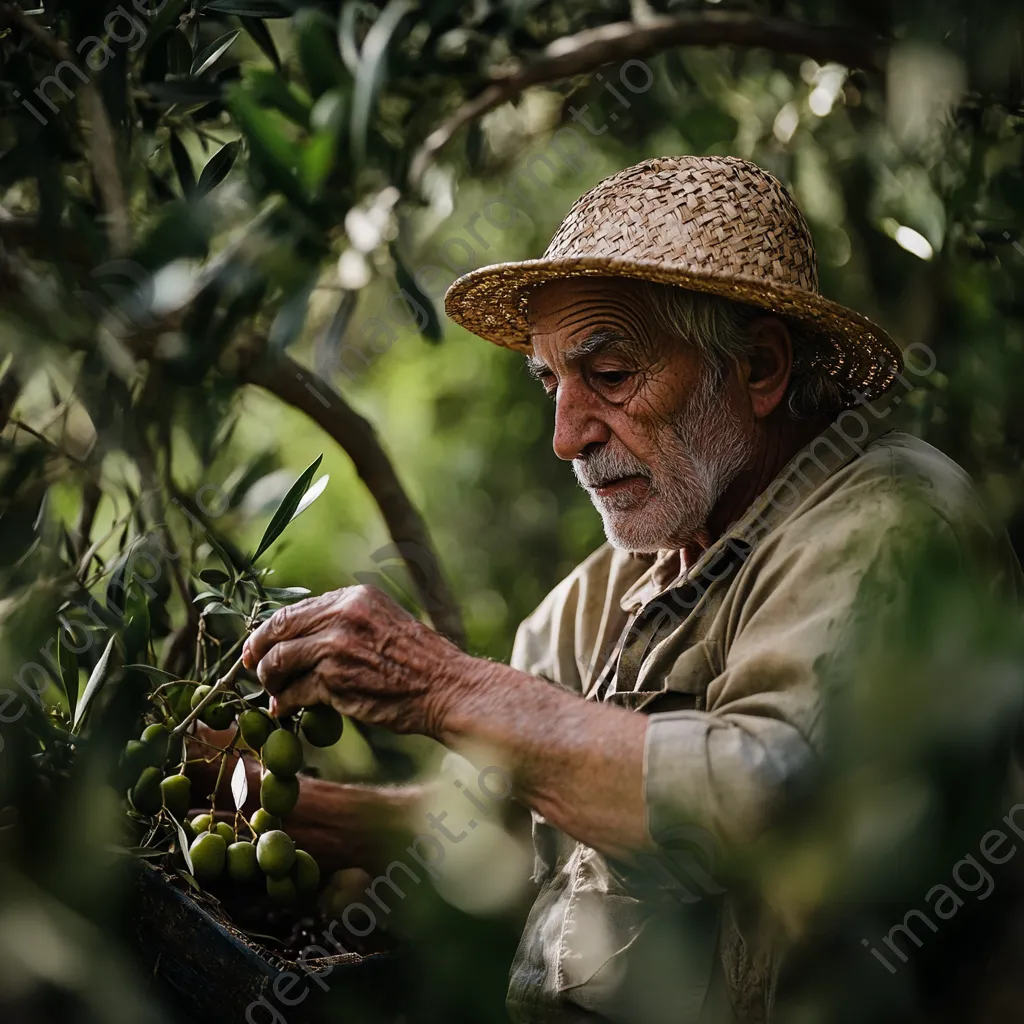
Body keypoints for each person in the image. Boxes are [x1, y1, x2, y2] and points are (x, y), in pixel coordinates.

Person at [235, 156, 1022, 1022]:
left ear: (759, 367)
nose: (566, 436)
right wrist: (313, 815)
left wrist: (443, 685)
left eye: (610, 377)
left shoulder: (889, 523)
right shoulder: (627, 580)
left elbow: (774, 803)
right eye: (549, 383)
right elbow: (533, 823)